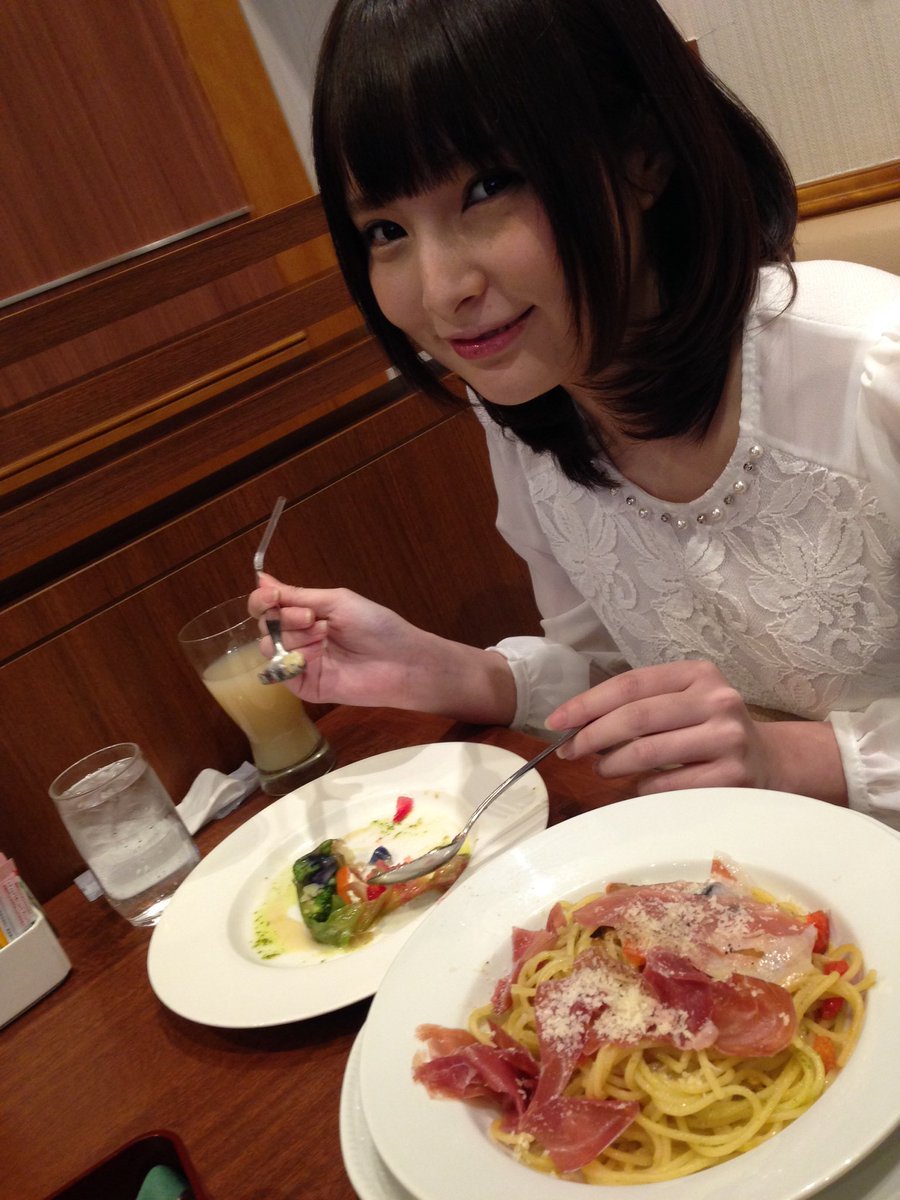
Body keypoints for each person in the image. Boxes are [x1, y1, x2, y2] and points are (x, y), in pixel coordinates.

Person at [249, 0, 900, 828]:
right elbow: (621, 684)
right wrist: (446, 672)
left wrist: (796, 758)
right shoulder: (526, 416)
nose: (441, 291)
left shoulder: (875, 367)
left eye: (487, 187)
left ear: (642, 155)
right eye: (385, 230)